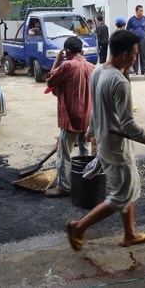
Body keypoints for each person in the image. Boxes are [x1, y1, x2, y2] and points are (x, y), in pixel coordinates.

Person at [66, 30, 145, 251]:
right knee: (121, 195)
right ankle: (79, 227)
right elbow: (129, 125)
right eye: (134, 55)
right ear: (125, 54)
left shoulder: (98, 71)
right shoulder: (120, 81)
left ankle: (130, 233)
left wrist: (90, 130)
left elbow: (95, 108)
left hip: (106, 143)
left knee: (129, 189)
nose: (135, 59)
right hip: (117, 149)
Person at [44, 36, 96, 197]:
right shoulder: (92, 67)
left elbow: (50, 81)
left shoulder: (67, 65)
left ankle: (64, 187)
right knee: (84, 152)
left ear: (67, 52)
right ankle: (84, 181)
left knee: (64, 154)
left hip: (71, 117)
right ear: (81, 51)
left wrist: (57, 61)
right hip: (88, 117)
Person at [126, 5, 145, 76]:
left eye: (142, 10)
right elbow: (127, 29)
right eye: (140, 11)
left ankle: (144, 71)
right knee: (135, 56)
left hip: (142, 40)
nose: (142, 12)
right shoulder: (131, 19)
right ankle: (135, 71)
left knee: (143, 55)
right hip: (134, 41)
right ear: (136, 11)